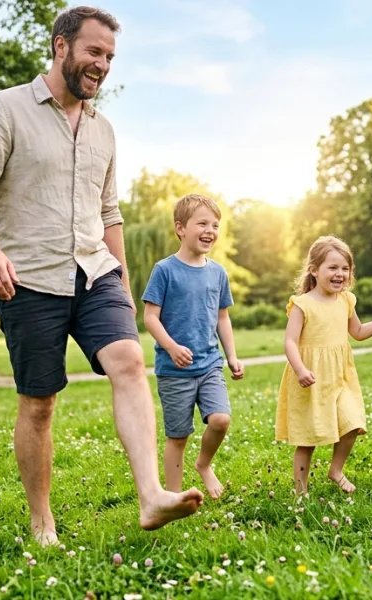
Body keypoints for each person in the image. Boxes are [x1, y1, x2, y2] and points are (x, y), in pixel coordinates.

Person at [0, 5, 203, 545]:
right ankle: (42, 520)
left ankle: (151, 496)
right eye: (94, 52)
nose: (102, 65)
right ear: (61, 46)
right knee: (39, 403)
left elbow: (110, 213)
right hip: (29, 277)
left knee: (131, 362)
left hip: (96, 272)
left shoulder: (103, 130)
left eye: (109, 57)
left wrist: (127, 286)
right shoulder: (4, 109)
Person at [142, 193, 245, 500]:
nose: (210, 230)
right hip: (174, 371)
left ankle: (204, 464)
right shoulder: (165, 270)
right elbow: (150, 318)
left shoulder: (218, 273)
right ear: (180, 228)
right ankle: (173, 498)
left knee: (221, 419)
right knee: (178, 435)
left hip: (209, 364)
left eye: (215, 224)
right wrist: (172, 347)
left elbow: (222, 317)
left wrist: (232, 356)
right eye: (202, 223)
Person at [277, 236, 372, 495]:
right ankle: (300, 491)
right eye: (333, 267)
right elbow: (290, 342)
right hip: (311, 378)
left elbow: (359, 332)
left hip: (340, 377)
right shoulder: (302, 304)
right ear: (314, 270)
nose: (340, 274)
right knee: (308, 438)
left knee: (351, 423)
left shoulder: (346, 300)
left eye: (344, 268)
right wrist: (301, 370)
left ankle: (335, 470)